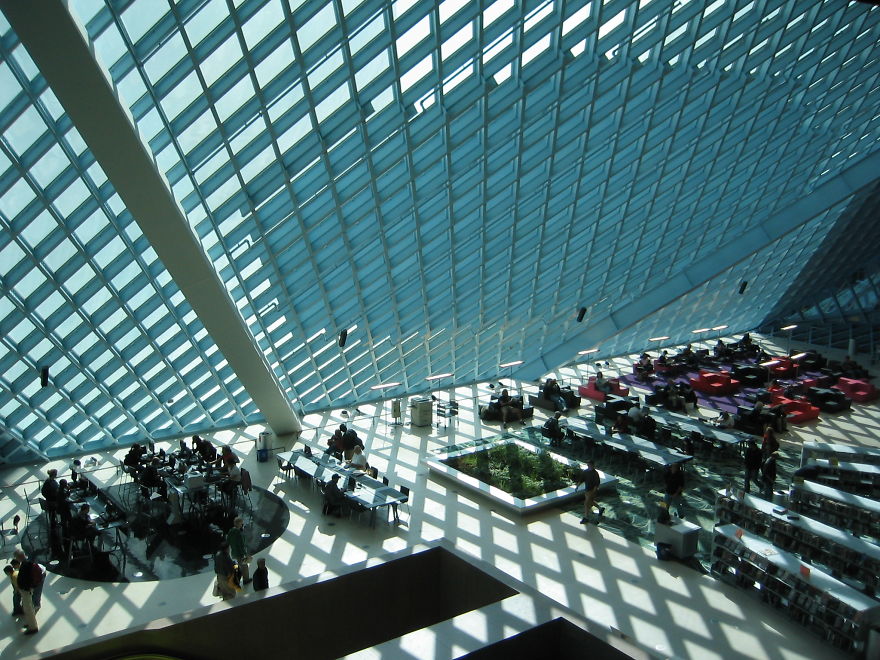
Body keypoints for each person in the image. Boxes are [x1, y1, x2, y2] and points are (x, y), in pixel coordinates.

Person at [4, 564, 37, 634]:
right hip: (26, 591)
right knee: (27, 608)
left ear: (8, 572)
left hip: (25, 592)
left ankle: (33, 627)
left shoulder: (14, 576)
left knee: (28, 609)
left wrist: (17, 592)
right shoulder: (16, 573)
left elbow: (19, 586)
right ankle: (30, 623)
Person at [226, 516, 250, 585]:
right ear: (239, 523)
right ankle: (246, 579)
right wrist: (245, 554)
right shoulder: (239, 533)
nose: (242, 525)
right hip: (240, 553)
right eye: (241, 523)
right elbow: (241, 545)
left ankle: (238, 579)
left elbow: (228, 541)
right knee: (244, 567)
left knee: (239, 565)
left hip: (234, 553)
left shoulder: (231, 531)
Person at [579, 460, 604, 524]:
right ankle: (600, 508)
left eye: (590, 465)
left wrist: (593, 491)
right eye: (588, 465)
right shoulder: (586, 472)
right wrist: (577, 486)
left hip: (591, 490)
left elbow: (597, 483)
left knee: (586, 503)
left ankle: (586, 517)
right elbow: (582, 479)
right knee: (590, 501)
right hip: (587, 490)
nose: (589, 466)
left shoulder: (595, 473)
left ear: (593, 465)